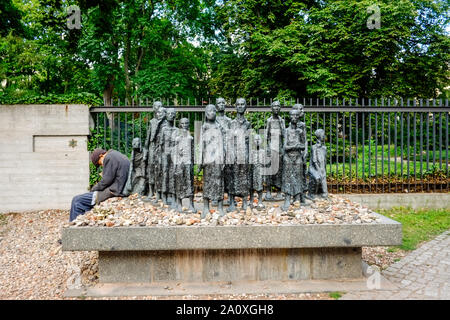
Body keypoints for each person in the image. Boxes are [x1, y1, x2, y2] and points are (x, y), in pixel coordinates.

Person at [69, 148, 130, 221]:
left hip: (113, 191)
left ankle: (73, 226)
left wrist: (93, 189)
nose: (102, 165)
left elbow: (106, 181)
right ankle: (80, 223)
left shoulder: (109, 157)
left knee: (77, 200)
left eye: (100, 163)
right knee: (83, 203)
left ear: (101, 156)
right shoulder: (119, 155)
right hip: (120, 189)